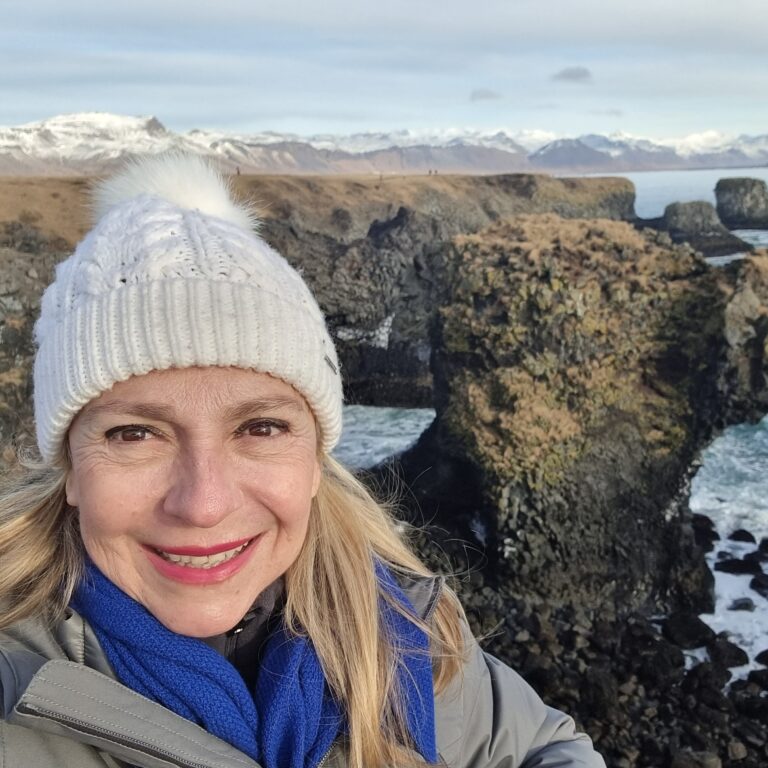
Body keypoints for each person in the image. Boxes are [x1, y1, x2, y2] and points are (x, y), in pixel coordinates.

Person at [0, 153, 605, 768]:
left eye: (261, 427)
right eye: (135, 435)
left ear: (316, 459)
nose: (204, 503)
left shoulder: (406, 631)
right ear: (70, 468)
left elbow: (544, 746)